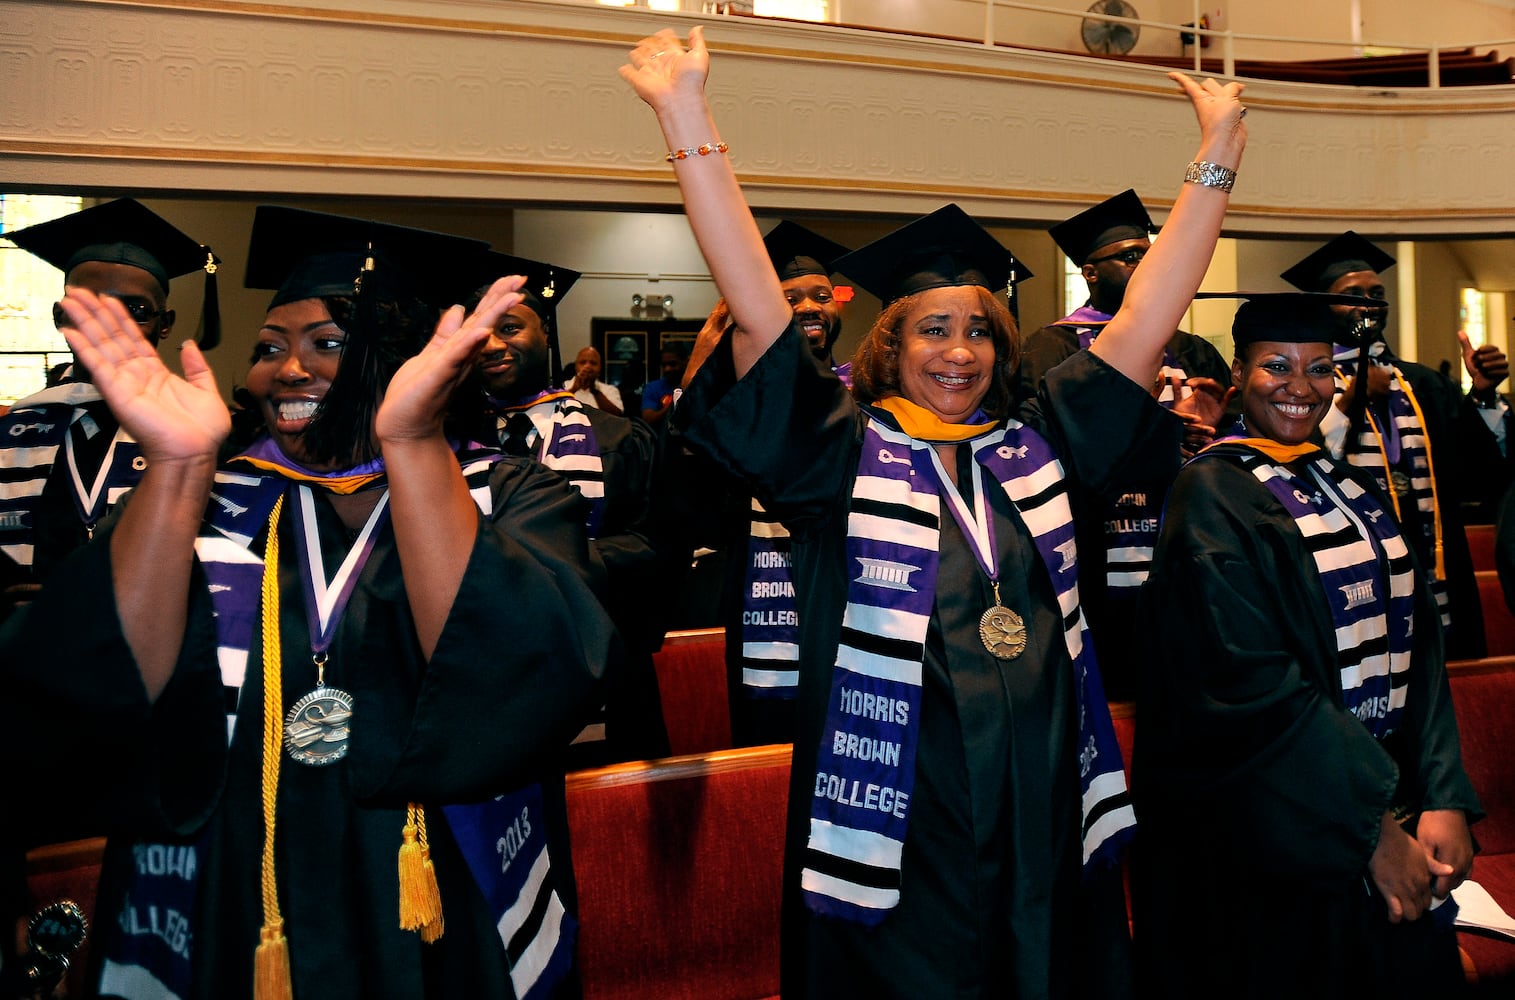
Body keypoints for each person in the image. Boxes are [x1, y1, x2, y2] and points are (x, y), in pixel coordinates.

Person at [621, 26, 1244, 996]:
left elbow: (1146, 318)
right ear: (889, 343)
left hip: (1046, 798)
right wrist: (686, 118)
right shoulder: (839, 455)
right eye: (932, 329)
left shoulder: (1039, 441)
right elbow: (761, 314)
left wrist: (1218, 158)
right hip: (900, 814)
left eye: (978, 332)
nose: (959, 352)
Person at [1, 205, 613, 999]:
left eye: (328, 343)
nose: (286, 369)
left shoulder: (504, 493)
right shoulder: (203, 497)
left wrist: (412, 445)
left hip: (438, 894)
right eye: (268, 347)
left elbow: (530, 673)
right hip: (224, 884)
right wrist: (178, 468)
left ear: (402, 356)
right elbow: (92, 692)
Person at [1132, 292, 1481, 998]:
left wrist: (1441, 794)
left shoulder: (1344, 483)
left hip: (1377, 797)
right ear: (1237, 375)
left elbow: (1421, 647)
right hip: (1273, 833)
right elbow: (1250, 686)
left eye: (1319, 368)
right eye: (1275, 365)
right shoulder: (1211, 497)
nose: (1299, 386)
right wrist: (1372, 830)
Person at [1017, 188, 1234, 699]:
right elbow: (1039, 454)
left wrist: (1212, 440)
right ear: (1089, 272)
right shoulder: (1049, 349)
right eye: (1130, 256)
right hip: (1093, 559)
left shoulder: (1194, 350)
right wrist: (1154, 435)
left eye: (1150, 252)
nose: (1145, 263)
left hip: (1188, 554)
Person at [461, 250, 669, 768]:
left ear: (547, 336)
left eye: (509, 327)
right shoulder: (441, 446)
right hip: (475, 684)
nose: (492, 343)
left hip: (605, 677)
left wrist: (549, 561)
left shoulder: (620, 439)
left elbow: (657, 548)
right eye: (479, 331)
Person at [0, 198, 220, 621]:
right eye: (91, 306)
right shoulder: (9, 432)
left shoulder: (197, 435)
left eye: (136, 310)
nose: (112, 323)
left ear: (166, 322)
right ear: (60, 316)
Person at [1283, 231, 1490, 660]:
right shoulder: (1301, 387)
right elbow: (1291, 473)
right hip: (1350, 576)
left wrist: (1484, 396)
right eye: (1352, 295)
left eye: (1377, 294)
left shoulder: (1423, 383)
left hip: (1433, 576)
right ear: (1323, 306)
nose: (1370, 304)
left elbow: (1483, 472)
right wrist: (1349, 403)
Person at [564, 345, 625, 415]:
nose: (587, 366)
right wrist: (574, 389)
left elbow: (618, 415)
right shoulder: (563, 387)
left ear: (600, 367)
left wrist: (594, 390)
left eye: (593, 363)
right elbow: (554, 411)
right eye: (582, 362)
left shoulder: (610, 390)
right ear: (575, 366)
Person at [640, 343, 688, 429]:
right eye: (664, 365)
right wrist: (674, 403)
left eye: (672, 364)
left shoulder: (695, 385)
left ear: (686, 362)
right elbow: (648, 419)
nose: (667, 369)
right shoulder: (653, 387)